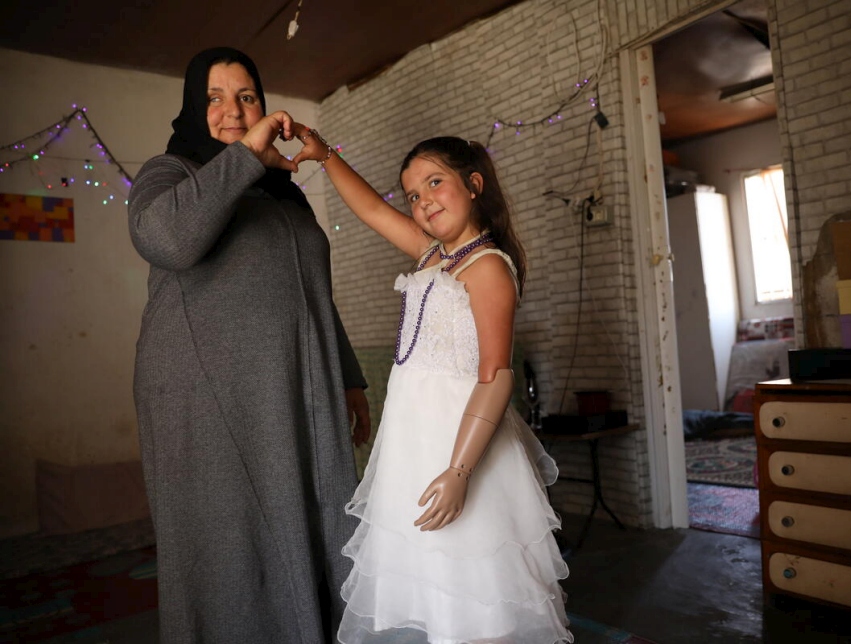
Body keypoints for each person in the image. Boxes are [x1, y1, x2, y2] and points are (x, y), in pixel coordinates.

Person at [127, 47, 370, 643]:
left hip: (292, 387)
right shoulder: (170, 172)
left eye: (246, 97)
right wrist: (243, 159)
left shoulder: (286, 194)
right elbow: (170, 240)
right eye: (214, 98)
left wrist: (349, 375)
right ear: (191, 105)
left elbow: (312, 289)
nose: (233, 111)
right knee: (228, 545)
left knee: (313, 523)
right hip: (206, 397)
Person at [291, 132, 572, 643]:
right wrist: (325, 154)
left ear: (473, 185)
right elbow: (374, 210)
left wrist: (461, 469)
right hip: (413, 444)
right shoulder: (431, 256)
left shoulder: (487, 267)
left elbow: (497, 375)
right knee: (423, 581)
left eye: (435, 183)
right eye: (413, 195)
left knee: (466, 584)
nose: (423, 202)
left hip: (458, 444)